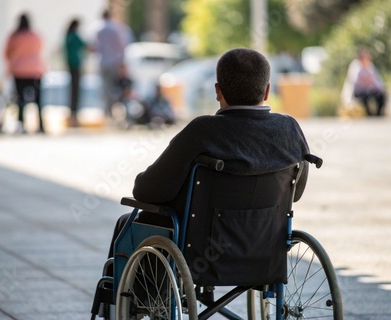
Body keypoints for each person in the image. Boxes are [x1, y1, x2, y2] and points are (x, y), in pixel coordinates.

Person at [107, 48, 311, 257]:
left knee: (129, 224)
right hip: (264, 249)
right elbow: (297, 192)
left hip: (202, 251)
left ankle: (119, 291)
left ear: (217, 91)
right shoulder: (290, 129)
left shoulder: (203, 131)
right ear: (267, 91)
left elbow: (146, 192)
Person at [4, 13, 46, 134]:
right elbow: (40, 49)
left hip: (19, 70)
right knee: (38, 99)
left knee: (20, 99)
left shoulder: (14, 36)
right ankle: (41, 125)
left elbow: (7, 53)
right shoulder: (35, 36)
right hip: (36, 70)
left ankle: (21, 124)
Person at [94, 10, 132, 119]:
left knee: (105, 87)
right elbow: (121, 46)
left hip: (103, 62)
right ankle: (113, 112)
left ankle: (106, 111)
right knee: (114, 88)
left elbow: (95, 47)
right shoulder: (115, 28)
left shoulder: (98, 29)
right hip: (114, 62)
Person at [341, 48, 386, 117]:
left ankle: (378, 114)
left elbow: (376, 80)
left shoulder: (370, 66)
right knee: (364, 98)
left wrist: (379, 88)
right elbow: (355, 80)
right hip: (359, 91)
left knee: (381, 95)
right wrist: (366, 80)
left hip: (370, 89)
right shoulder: (355, 66)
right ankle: (369, 114)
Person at [64, 18, 87, 127]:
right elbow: (85, 45)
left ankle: (72, 114)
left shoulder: (67, 36)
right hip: (75, 65)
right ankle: (74, 115)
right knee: (75, 90)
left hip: (70, 64)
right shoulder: (75, 36)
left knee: (72, 90)